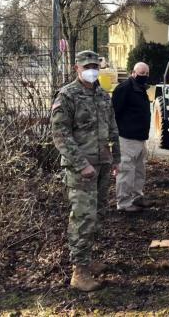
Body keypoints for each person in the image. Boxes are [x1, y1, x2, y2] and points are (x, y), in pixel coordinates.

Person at [51, 50, 121, 292]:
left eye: (95, 66)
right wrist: (83, 165)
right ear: (76, 68)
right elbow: (60, 136)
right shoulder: (67, 96)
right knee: (83, 218)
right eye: (87, 66)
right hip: (81, 169)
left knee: (98, 214)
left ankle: (88, 260)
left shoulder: (102, 94)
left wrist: (116, 159)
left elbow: (112, 127)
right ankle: (79, 272)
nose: (92, 70)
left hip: (102, 165)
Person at [111, 62, 156, 212]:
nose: (143, 76)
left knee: (139, 171)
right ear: (133, 72)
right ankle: (123, 203)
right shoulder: (124, 89)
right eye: (140, 73)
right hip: (126, 138)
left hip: (139, 138)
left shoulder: (140, 89)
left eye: (146, 73)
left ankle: (137, 197)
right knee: (126, 171)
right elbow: (114, 112)